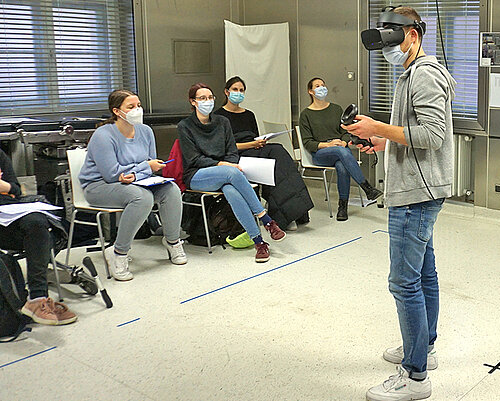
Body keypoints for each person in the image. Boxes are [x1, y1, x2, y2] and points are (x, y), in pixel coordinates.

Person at [345, 6, 455, 400]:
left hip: (415, 195)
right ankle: (424, 348)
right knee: (424, 275)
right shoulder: (410, 73)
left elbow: (432, 135)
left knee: (404, 283)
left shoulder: (423, 74)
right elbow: (410, 133)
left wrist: (378, 126)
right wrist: (382, 140)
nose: (389, 49)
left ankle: (415, 378)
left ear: (413, 34)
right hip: (419, 188)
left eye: (394, 38)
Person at [79, 89, 187, 281]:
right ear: (117, 111)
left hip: (136, 182)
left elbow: (151, 166)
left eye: (138, 105)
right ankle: (118, 253)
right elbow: (113, 174)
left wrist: (137, 171)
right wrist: (143, 168)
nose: (137, 110)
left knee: (171, 190)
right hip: (98, 186)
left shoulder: (145, 131)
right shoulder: (103, 135)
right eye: (131, 107)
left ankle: (172, 241)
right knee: (142, 198)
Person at [177, 83, 286, 263]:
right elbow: (193, 159)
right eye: (202, 98)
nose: (207, 101)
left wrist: (227, 164)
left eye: (210, 98)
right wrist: (222, 164)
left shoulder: (222, 122)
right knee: (231, 174)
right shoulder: (185, 126)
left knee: (231, 189)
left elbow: (232, 152)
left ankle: (259, 243)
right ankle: (266, 219)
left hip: (225, 172)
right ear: (193, 102)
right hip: (197, 175)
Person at [214, 76, 314, 230]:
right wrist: (252, 144)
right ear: (226, 92)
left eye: (241, 90)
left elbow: (255, 137)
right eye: (235, 90)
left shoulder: (249, 115)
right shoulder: (219, 117)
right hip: (236, 156)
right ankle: (285, 215)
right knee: (273, 163)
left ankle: (292, 212)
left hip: (254, 150)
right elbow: (224, 147)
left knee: (278, 152)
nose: (238, 93)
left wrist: (259, 142)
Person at [0, 148, 77, 325]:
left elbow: (17, 190)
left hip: (9, 212)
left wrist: (6, 187)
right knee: (38, 237)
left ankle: (37, 299)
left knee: (37, 223)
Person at [299, 77, 383, 221]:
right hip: (320, 154)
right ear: (310, 91)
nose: (321, 88)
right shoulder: (306, 114)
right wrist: (329, 145)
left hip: (339, 150)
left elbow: (345, 133)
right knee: (340, 152)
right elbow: (308, 143)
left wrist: (343, 143)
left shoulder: (336, 109)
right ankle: (367, 187)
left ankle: (342, 207)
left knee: (342, 165)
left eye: (323, 85)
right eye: (317, 86)